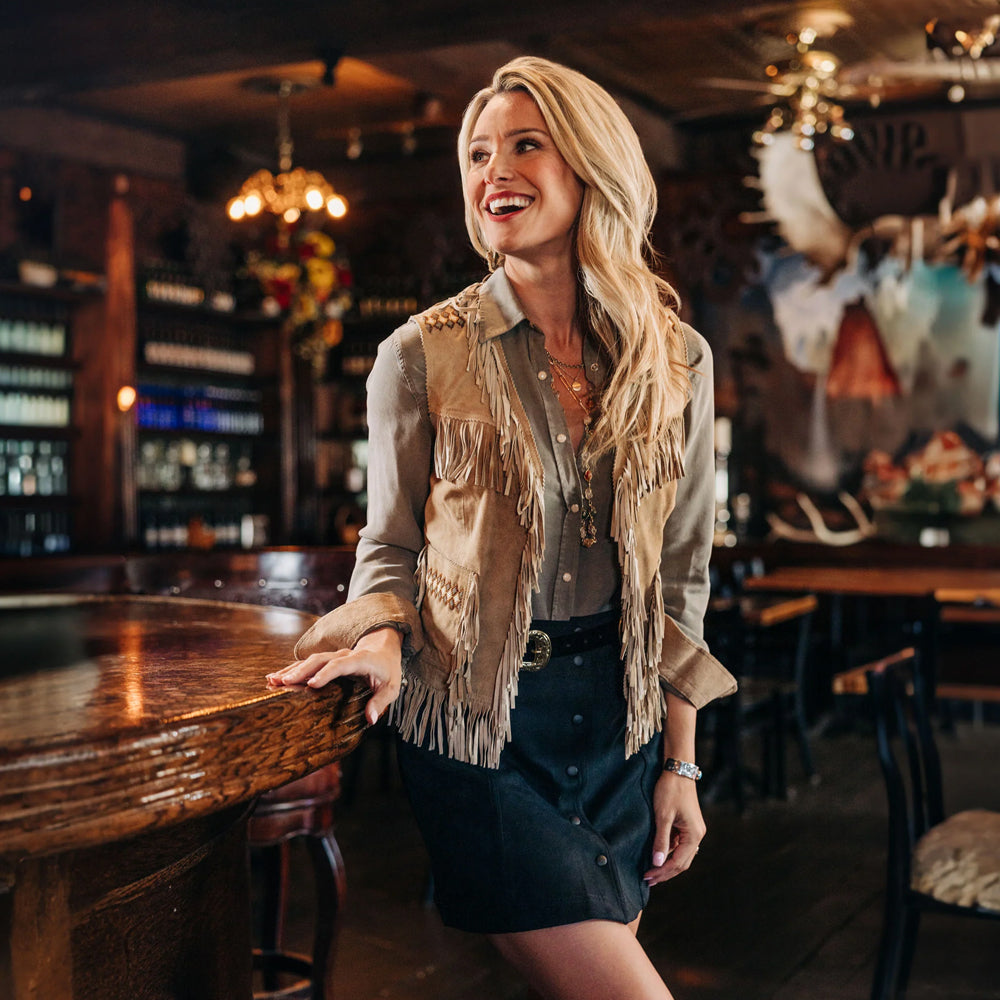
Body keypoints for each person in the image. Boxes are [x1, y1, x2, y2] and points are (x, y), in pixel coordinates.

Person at [266, 55, 736, 1000]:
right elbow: (390, 546)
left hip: (622, 722)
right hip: (478, 727)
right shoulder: (416, 355)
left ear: (592, 166)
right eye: (477, 153)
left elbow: (681, 575)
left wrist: (679, 761)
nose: (493, 171)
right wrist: (383, 635)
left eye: (526, 144)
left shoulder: (675, 356)